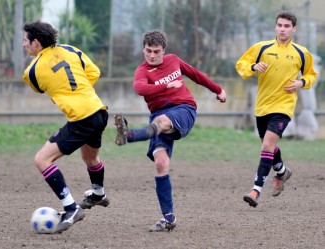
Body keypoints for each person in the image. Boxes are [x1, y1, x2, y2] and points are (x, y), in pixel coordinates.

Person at [114, 29, 227, 232]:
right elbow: (140, 89)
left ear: (163, 50)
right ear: (143, 49)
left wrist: (217, 90)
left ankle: (130, 135)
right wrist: (166, 86)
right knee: (160, 163)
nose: (152, 55)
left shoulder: (173, 60)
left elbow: (195, 74)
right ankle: (169, 218)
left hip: (184, 109)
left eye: (156, 51)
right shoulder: (142, 71)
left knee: (162, 120)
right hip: (158, 117)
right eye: (148, 50)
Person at [22, 21, 110, 233]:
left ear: (36, 42)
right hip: (99, 111)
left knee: (41, 159)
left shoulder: (31, 72)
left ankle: (71, 208)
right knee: (90, 158)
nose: (23, 44)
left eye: (25, 40)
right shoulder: (71, 50)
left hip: (81, 119)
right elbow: (94, 73)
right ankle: (98, 193)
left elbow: (44, 88)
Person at [236, 11, 317, 207]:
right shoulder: (261, 47)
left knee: (266, 146)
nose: (283, 29)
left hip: (284, 106)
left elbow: (311, 75)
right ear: (275, 27)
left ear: (294, 29)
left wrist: (301, 82)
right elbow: (241, 64)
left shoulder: (301, 52)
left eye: (287, 26)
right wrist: (254, 67)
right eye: (280, 25)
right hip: (262, 105)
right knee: (268, 145)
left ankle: (256, 190)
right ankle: (281, 172)